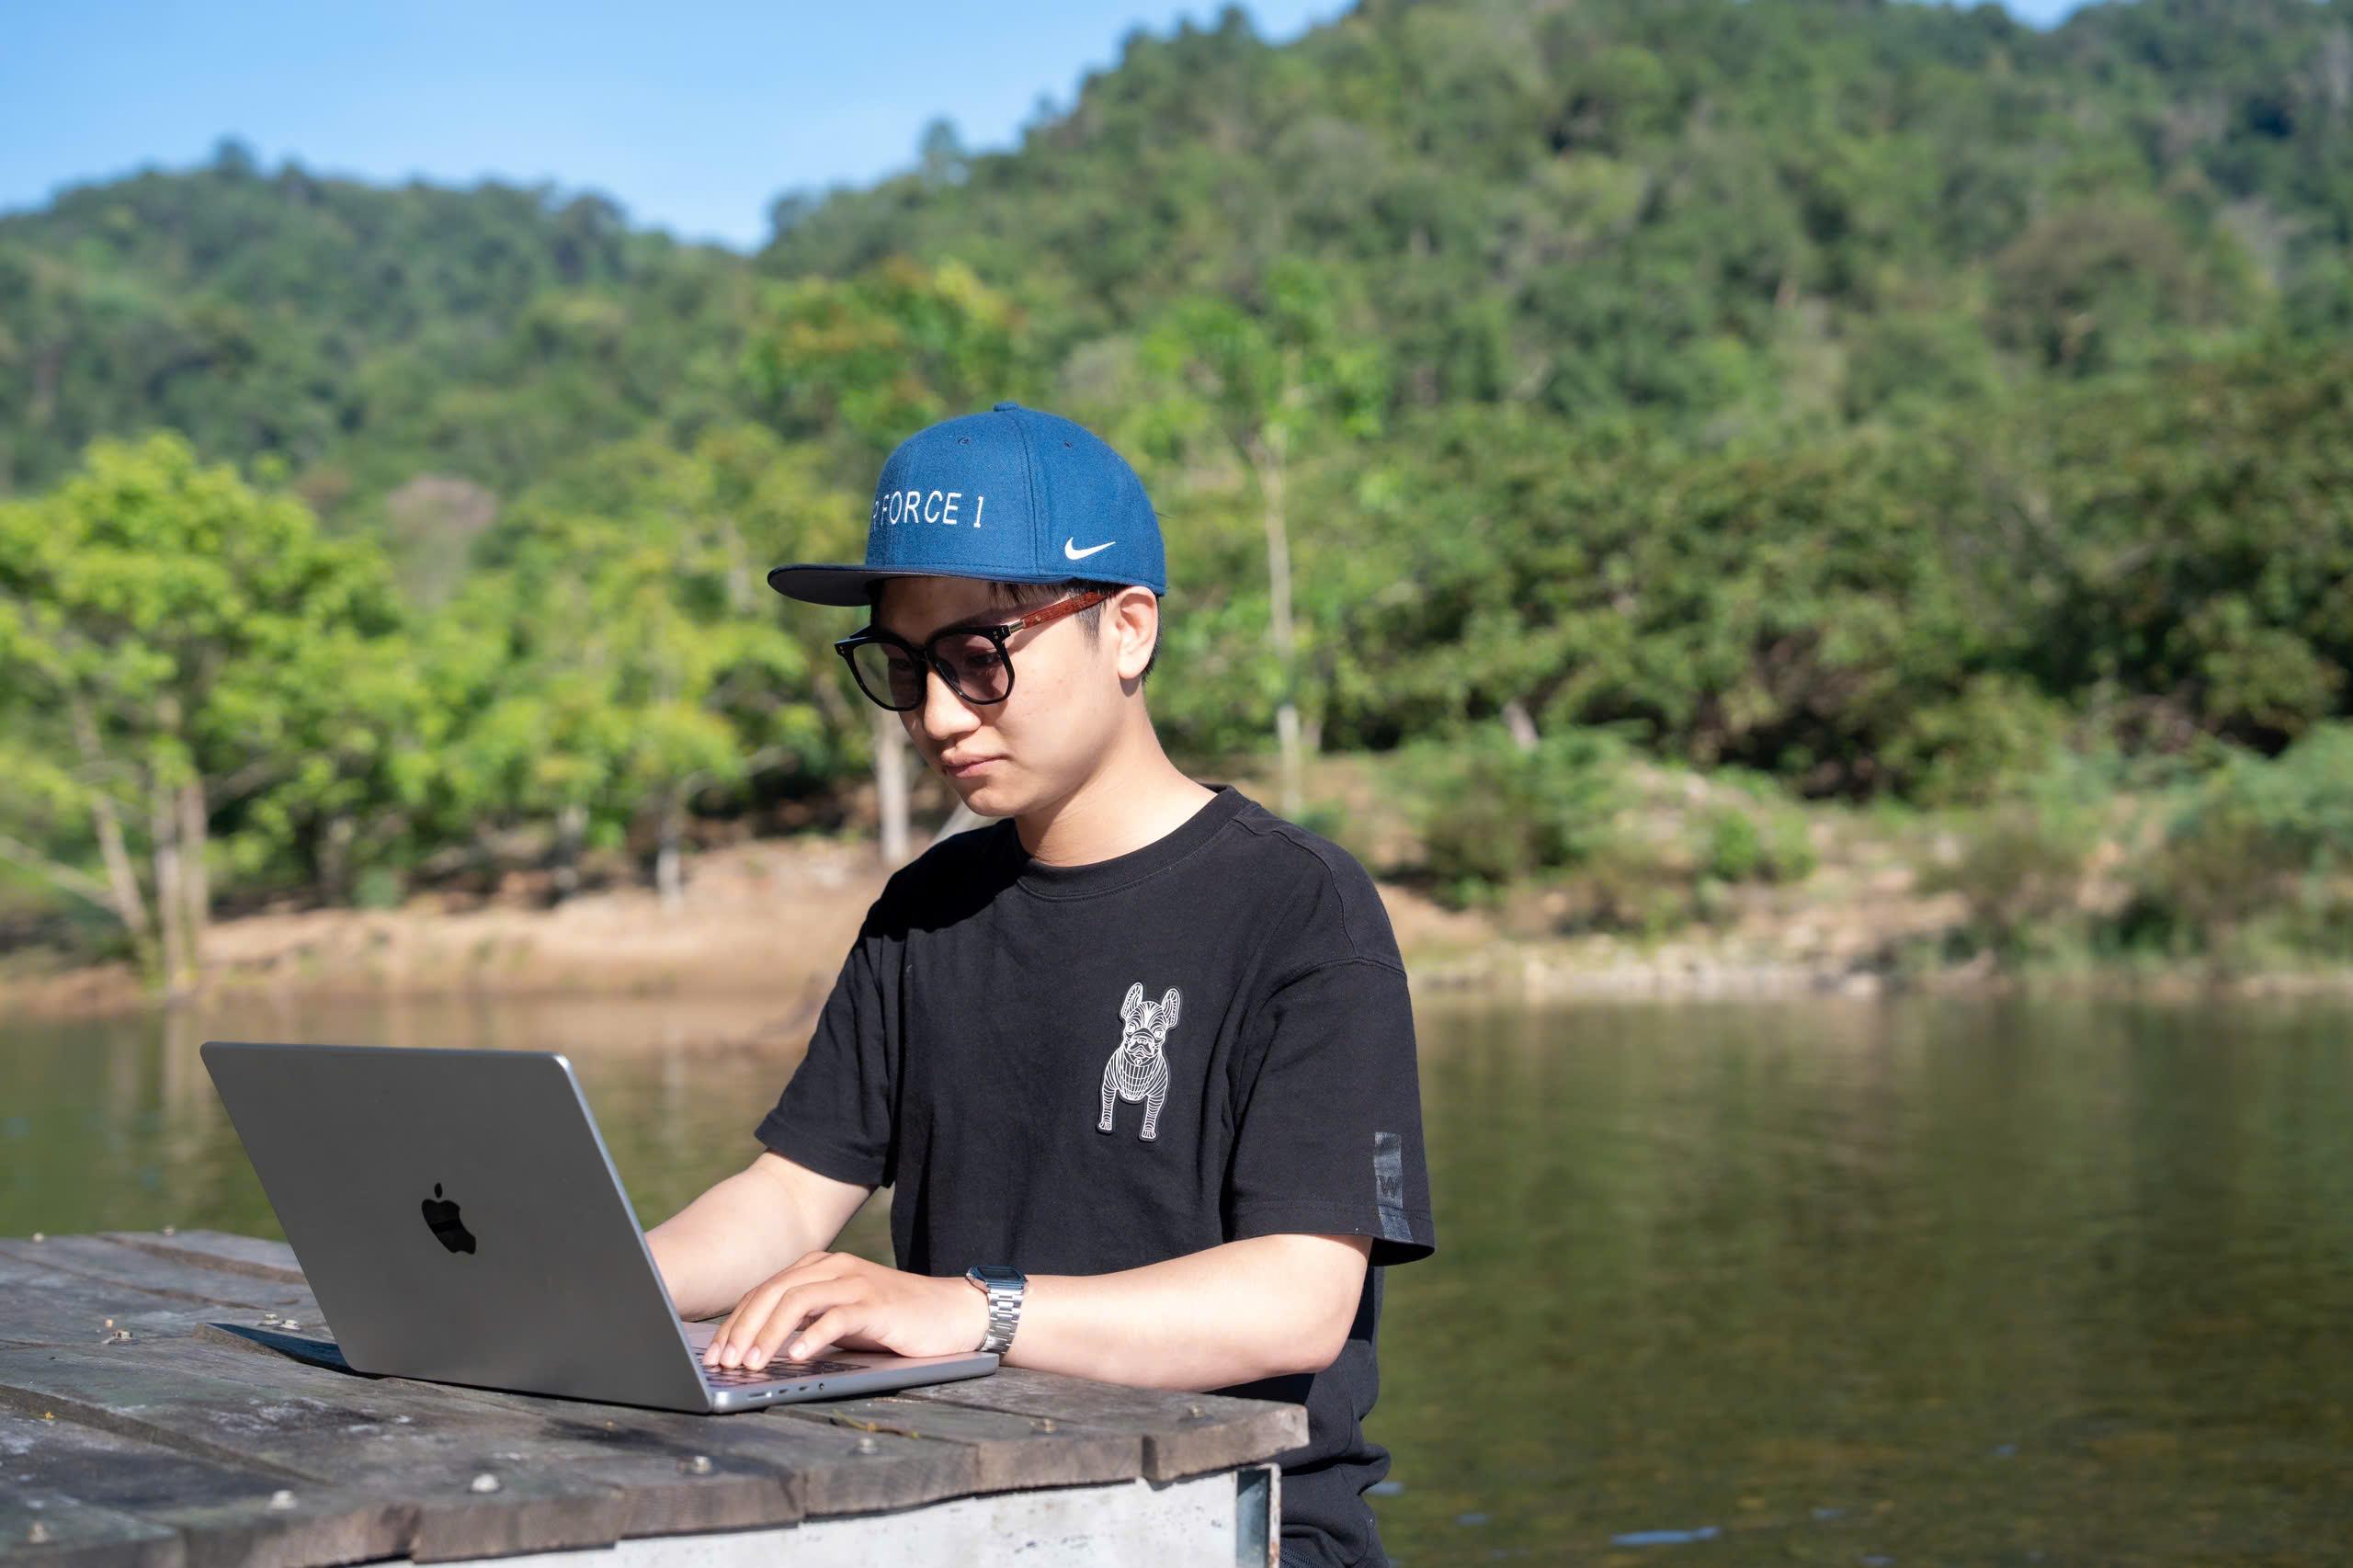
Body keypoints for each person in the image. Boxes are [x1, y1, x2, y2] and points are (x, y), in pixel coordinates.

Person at [644, 400, 1437, 1568]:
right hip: (970, 1496)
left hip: (1229, 1520)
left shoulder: (1298, 910)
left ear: (1126, 629)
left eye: (979, 657)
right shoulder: (926, 910)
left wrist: (967, 1309)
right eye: (902, 667)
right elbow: (788, 1194)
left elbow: (1295, 1296)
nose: (937, 713)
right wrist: (593, 1287)